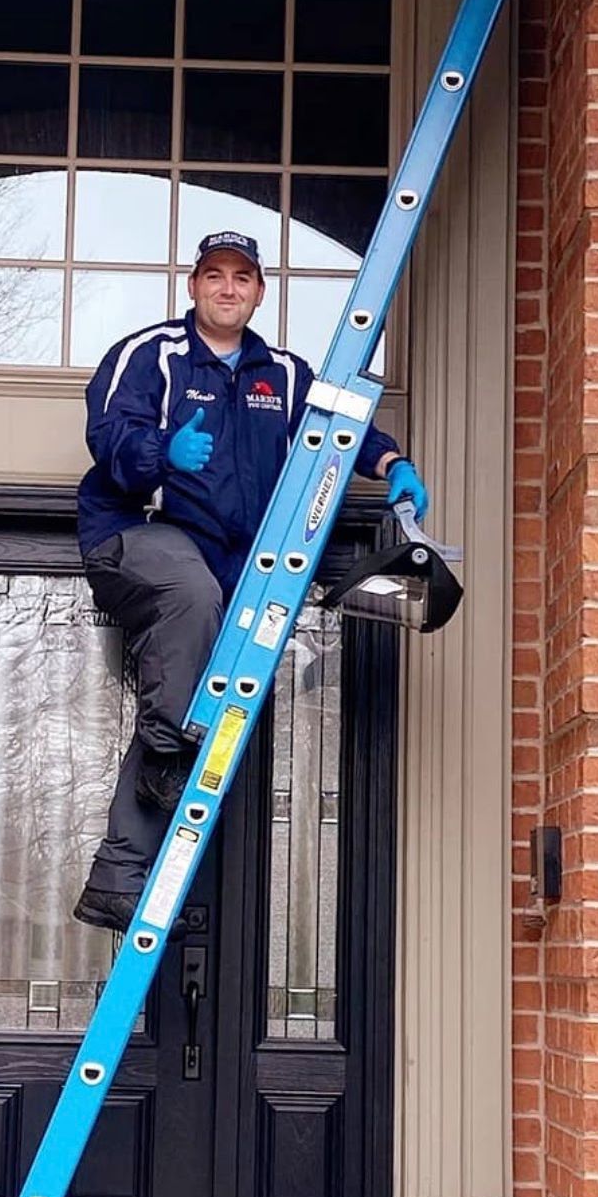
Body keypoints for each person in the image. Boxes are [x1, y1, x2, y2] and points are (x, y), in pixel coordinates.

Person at [72, 230, 428, 934]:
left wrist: (393, 467)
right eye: (213, 276)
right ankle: (169, 753)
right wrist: (159, 453)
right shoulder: (151, 356)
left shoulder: (285, 376)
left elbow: (341, 428)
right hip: (136, 536)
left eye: (241, 278)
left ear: (259, 291)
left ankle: (117, 877)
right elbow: (108, 437)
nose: (227, 288)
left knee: (198, 699)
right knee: (191, 606)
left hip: (229, 568)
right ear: (193, 286)